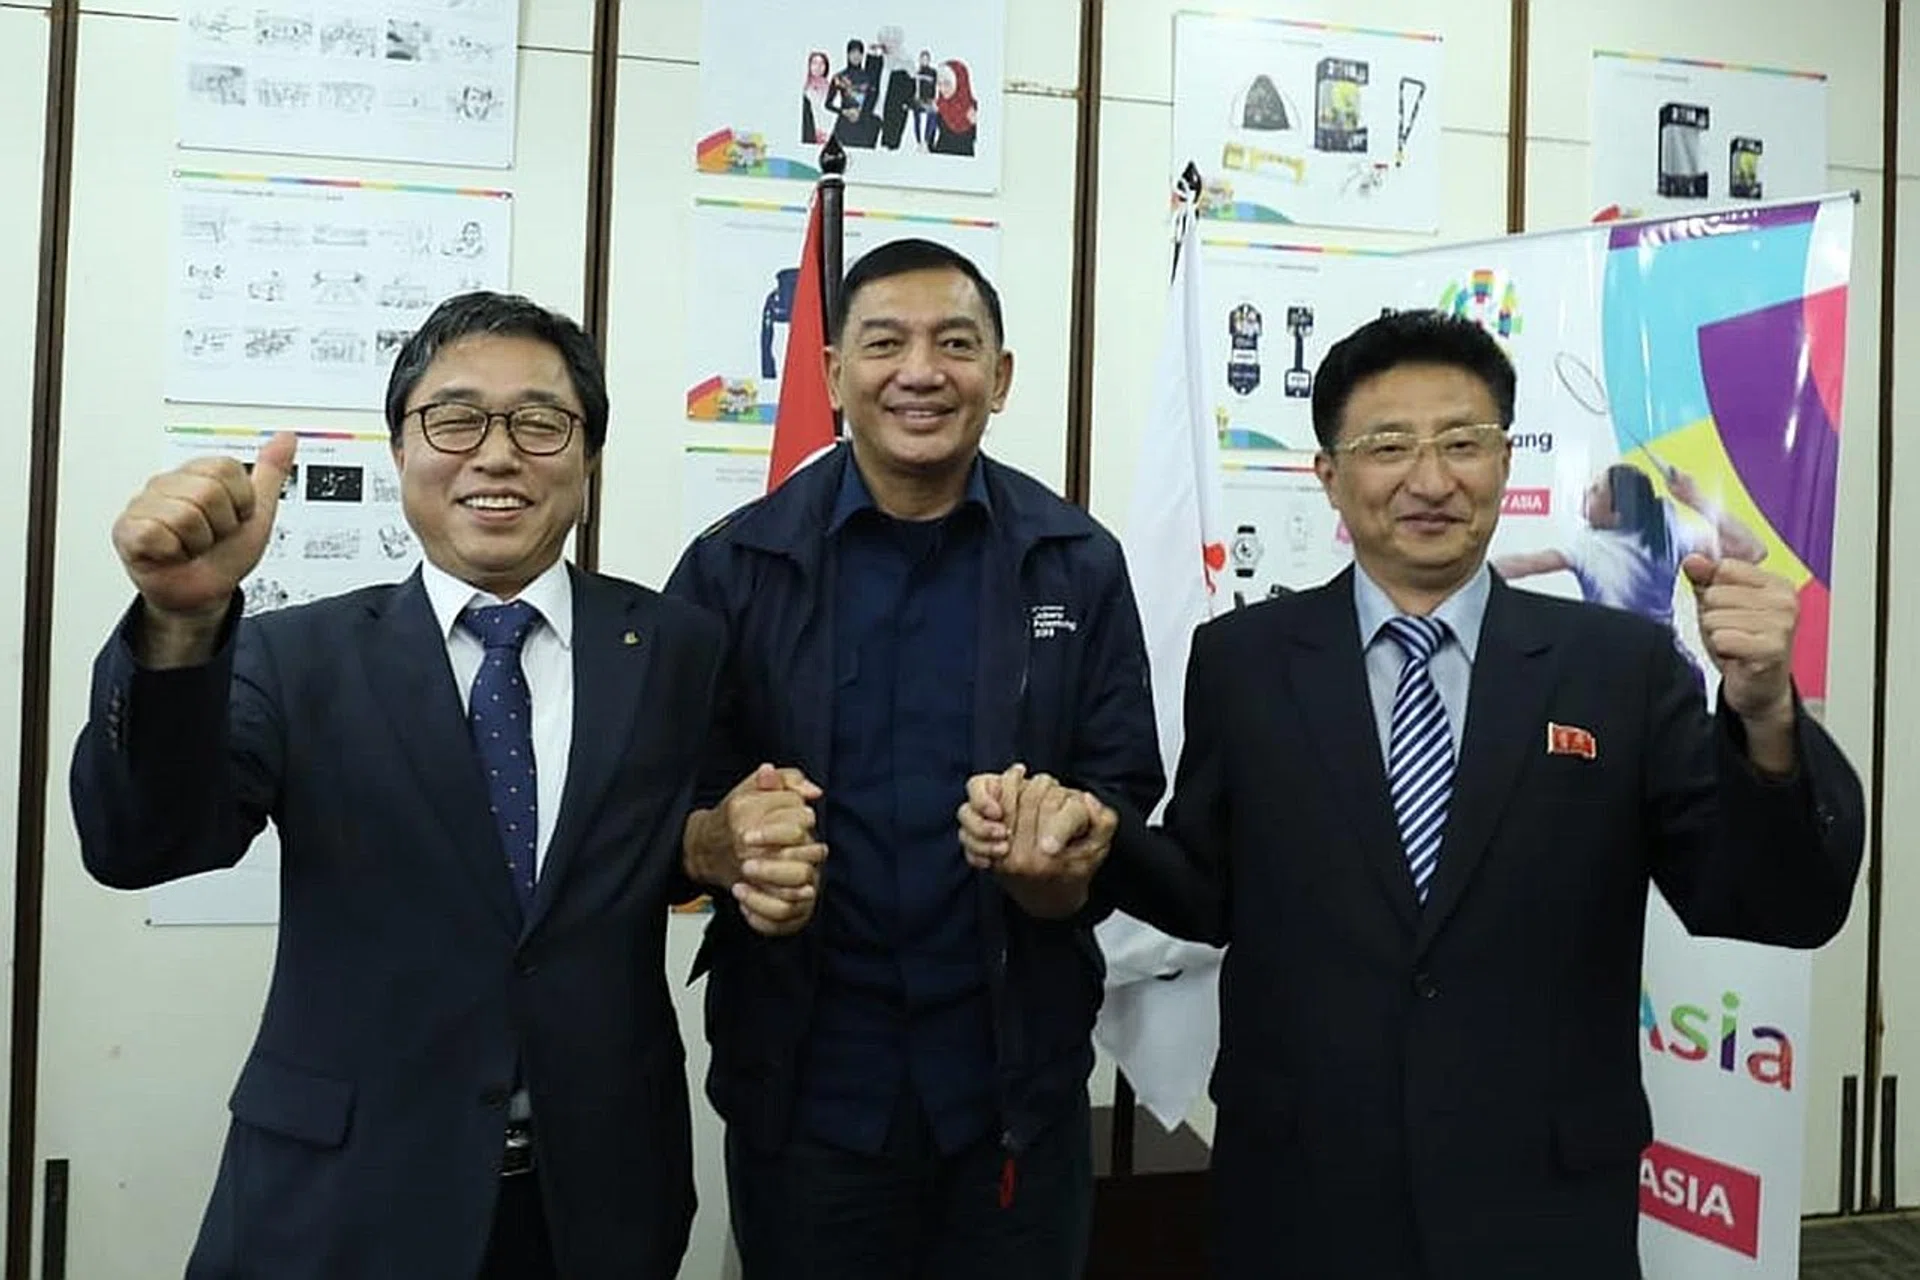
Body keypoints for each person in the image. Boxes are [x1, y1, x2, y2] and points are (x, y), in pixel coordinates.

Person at [961, 310, 1866, 1279]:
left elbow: (1770, 898)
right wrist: (1098, 843)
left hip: (1542, 1201)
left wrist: (1767, 713)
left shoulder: (1618, 666)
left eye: (1464, 441)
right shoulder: (1246, 661)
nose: (1431, 479)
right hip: (1304, 1191)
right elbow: (1207, 890)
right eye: (1388, 444)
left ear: (1504, 460)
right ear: (1329, 474)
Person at [69, 292, 811, 1279]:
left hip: (595, 1202)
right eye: (455, 419)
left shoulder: (674, 646)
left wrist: (717, 843)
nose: (498, 454)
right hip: (343, 1202)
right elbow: (143, 842)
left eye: (542, 421)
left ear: (587, 459)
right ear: (402, 451)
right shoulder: (297, 656)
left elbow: (683, 825)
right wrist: (177, 628)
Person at [666, 238, 1162, 1279]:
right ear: (832, 372)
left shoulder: (1077, 560)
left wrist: (1065, 842)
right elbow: (661, 804)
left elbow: (1123, 781)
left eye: (956, 343)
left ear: (1003, 375)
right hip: (808, 1093)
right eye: (885, 343)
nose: (921, 371)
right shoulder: (732, 565)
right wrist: (723, 843)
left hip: (1010, 1092)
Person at [1494, 460, 1766, 690]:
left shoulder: (1609, 544)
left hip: (1626, 677)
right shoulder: (1660, 534)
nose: (1587, 490)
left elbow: (1751, 550)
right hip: (1664, 672)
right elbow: (1752, 549)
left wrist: (1694, 496)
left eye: (1597, 489)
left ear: (1617, 512)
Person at [928, 59, 978, 156]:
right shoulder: (938, 105)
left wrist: (974, 123)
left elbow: (976, 139)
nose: (942, 89)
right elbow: (930, 137)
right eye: (939, 84)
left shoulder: (972, 108)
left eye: (947, 83)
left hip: (965, 162)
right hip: (941, 158)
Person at [801, 50, 832, 145]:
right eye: (814, 63)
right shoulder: (806, 87)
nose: (818, 67)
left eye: (822, 63)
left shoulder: (829, 87)